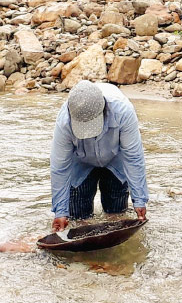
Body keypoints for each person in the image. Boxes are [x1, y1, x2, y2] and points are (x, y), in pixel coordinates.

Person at [49, 80, 149, 232]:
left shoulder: (123, 112)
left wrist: (139, 200)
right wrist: (60, 212)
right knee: (78, 220)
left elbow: (133, 157)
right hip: (81, 164)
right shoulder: (64, 122)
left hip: (115, 160)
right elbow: (59, 167)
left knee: (116, 216)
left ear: (104, 110)